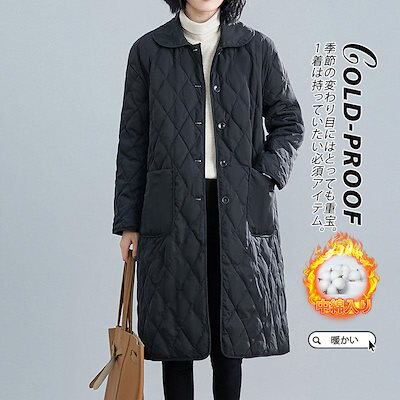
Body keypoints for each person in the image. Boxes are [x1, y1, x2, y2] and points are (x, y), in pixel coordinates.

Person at [112, 1, 304, 399]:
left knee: (229, 335)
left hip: (236, 206)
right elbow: (133, 140)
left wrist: (265, 174)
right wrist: (128, 221)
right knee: (175, 335)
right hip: (172, 208)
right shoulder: (148, 50)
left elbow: (289, 120)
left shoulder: (256, 48)